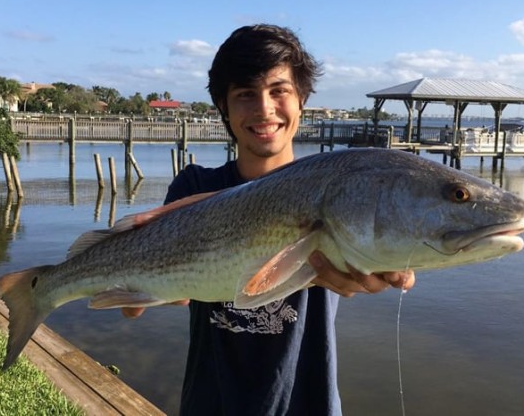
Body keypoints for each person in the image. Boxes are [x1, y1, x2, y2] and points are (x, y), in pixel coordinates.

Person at [124, 24, 415, 415]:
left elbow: (380, 238)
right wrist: (154, 287)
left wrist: (389, 265)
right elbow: (132, 305)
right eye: (245, 94)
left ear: (302, 101)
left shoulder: (333, 187)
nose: (264, 109)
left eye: (279, 91)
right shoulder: (193, 186)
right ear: (224, 107)